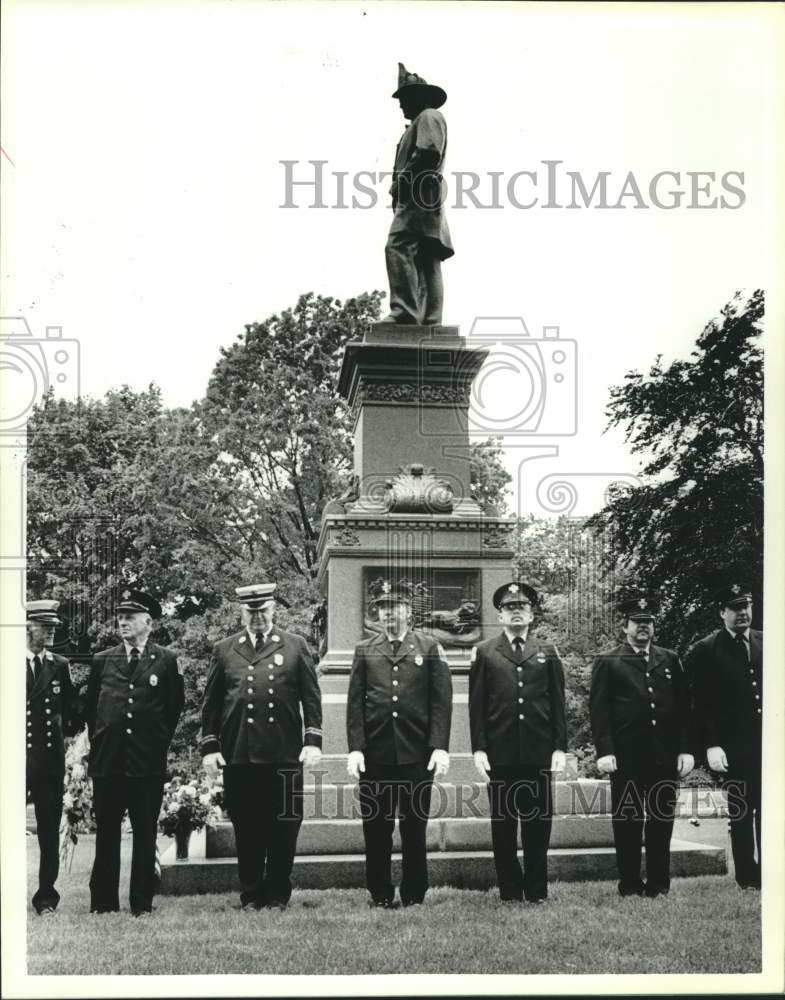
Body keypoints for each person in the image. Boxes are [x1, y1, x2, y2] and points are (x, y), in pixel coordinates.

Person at [200, 583, 323, 910]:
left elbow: (311, 698)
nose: (257, 617)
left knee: (285, 827)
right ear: (243, 612)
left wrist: (313, 741)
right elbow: (211, 704)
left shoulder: (295, 646)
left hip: (284, 753)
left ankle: (278, 893)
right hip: (240, 753)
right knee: (247, 827)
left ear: (273, 609)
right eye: (251, 611)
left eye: (263, 610)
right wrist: (210, 747)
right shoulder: (225, 649)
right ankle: (252, 893)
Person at [346, 578, 453, 908]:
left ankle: (413, 893)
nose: (389, 614)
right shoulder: (365, 650)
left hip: (416, 755)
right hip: (376, 756)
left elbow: (440, 700)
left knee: (414, 829)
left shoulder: (428, 648)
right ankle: (379, 893)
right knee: (376, 831)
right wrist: (356, 749)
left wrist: (439, 746)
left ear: (408, 612)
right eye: (383, 608)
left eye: (396, 608)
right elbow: (355, 703)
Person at [86, 589, 184, 915]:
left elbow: (173, 709)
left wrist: (155, 743)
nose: (123, 621)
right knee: (107, 835)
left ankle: (141, 903)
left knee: (144, 835)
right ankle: (103, 903)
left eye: (130, 617)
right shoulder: (103, 660)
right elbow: (91, 710)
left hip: (146, 764)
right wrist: (101, 742)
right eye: (121, 616)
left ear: (148, 622)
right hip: (108, 762)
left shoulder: (166, 661)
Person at [590, 595, 694, 898]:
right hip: (626, 756)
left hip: (664, 755)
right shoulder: (608, 661)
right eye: (638, 623)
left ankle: (659, 884)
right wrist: (605, 750)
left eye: (648, 622)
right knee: (628, 822)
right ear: (626, 627)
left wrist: (686, 749)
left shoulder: (670, 658)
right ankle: (630, 884)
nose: (643, 628)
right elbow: (599, 710)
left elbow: (684, 709)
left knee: (661, 821)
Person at [468, 583, 567, 904]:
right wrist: (479, 749)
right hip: (501, 754)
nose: (516, 612)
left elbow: (557, 703)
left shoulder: (547, 651)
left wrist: (559, 747)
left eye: (522, 607)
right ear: (500, 616)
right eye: (510, 608)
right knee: (504, 826)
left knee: (539, 826)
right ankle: (510, 890)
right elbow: (477, 705)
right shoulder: (484, 652)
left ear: (532, 614)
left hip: (538, 753)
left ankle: (537, 890)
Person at [686, 583, 762, 889]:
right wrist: (712, 745)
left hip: (768, 746)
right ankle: (747, 876)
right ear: (722, 612)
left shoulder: (765, 641)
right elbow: (700, 704)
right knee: (742, 813)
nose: (742, 612)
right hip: (732, 747)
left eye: (746, 606)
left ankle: (772, 871)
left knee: (770, 811)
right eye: (735, 608)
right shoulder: (707, 649)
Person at [382, 63, 454, 326]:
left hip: (419, 195)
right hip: (422, 197)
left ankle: (405, 312)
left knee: (398, 245)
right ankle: (431, 320)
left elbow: (428, 151)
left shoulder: (429, 117)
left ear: (420, 97)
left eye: (406, 99)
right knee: (426, 257)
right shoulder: (419, 122)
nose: (402, 106)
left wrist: (402, 181)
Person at [25, 600, 80, 915]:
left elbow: (72, 712)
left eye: (53, 627)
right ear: (27, 626)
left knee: (48, 830)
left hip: (49, 760)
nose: (51, 631)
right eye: (45, 626)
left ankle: (46, 897)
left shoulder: (60, 664)